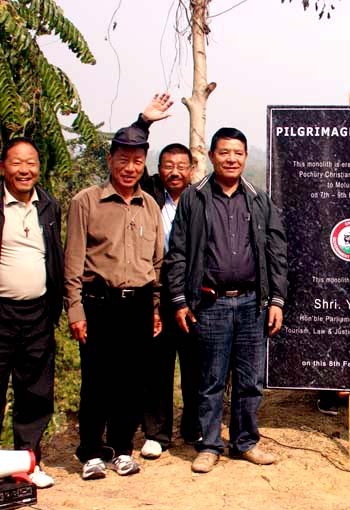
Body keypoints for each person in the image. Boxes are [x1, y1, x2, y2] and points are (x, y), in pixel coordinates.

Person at [164, 127, 288, 474]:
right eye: (224, 152)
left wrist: (276, 300)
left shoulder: (259, 199)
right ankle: (209, 444)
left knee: (250, 380)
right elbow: (178, 253)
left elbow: (277, 253)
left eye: (238, 153)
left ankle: (245, 442)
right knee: (211, 379)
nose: (231, 159)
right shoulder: (194, 198)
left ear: (245, 157)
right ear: (211, 156)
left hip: (253, 304)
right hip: (210, 304)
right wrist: (179, 300)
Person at [64, 93, 173, 480]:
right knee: (97, 379)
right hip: (99, 303)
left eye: (137, 161)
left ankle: (122, 448)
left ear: (144, 165)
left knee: (131, 380)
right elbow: (73, 263)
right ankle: (91, 451)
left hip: (140, 304)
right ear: (110, 160)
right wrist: (75, 311)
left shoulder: (150, 207)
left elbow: (157, 264)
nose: (130, 168)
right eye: (123, 160)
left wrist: (157, 307)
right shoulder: (86, 202)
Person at [0, 138, 64, 489]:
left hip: (38, 313)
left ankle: (28, 460)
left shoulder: (48, 205)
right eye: (16, 162)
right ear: (3, 167)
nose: (25, 170)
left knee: (35, 392)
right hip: (1, 313)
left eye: (31, 163)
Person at [137, 143, 201, 459]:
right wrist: (144, 122)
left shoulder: (201, 200)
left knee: (195, 366)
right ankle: (156, 433)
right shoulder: (149, 198)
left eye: (181, 165)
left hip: (193, 296)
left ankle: (194, 426)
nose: (174, 171)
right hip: (156, 292)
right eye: (167, 165)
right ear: (158, 169)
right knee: (156, 366)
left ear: (191, 169)